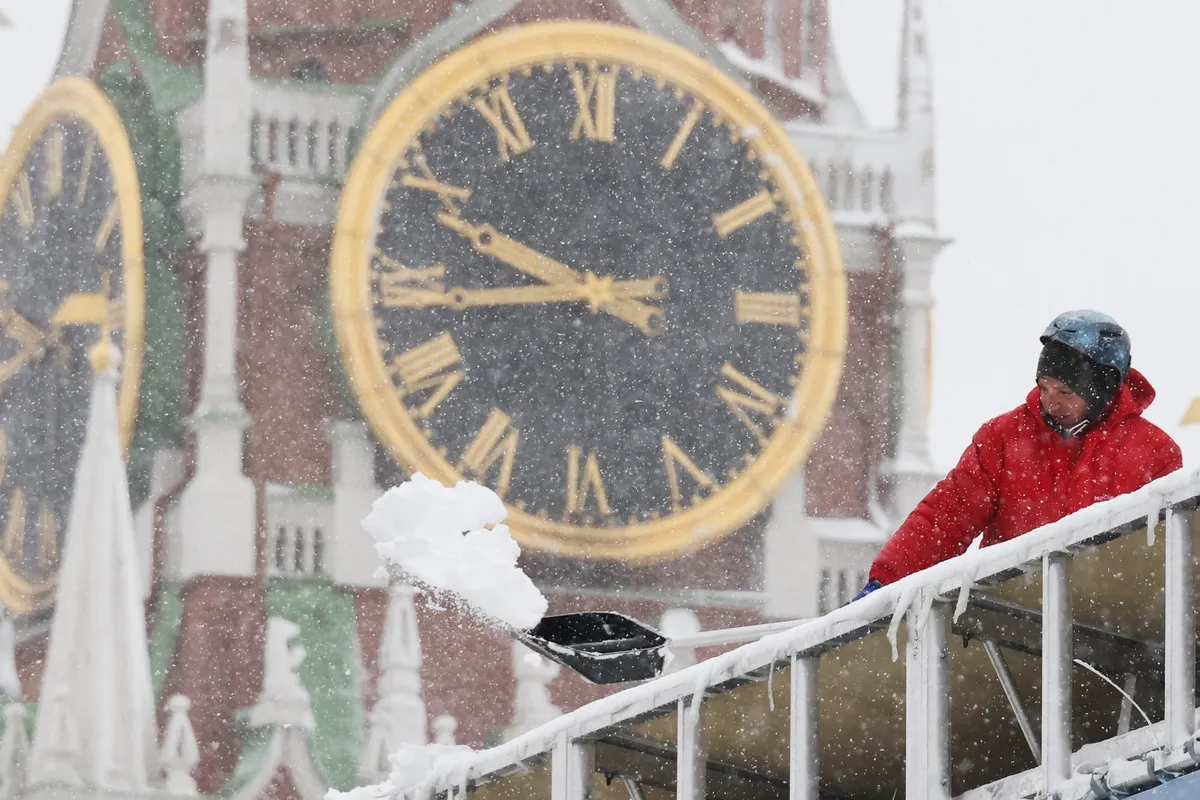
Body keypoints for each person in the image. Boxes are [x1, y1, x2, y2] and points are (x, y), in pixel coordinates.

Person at [851, 310, 1182, 603]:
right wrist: (886, 581)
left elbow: (1166, 556)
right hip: (1007, 624)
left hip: (1112, 631)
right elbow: (946, 516)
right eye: (1045, 386)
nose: (1051, 402)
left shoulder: (1155, 454)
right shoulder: (1003, 438)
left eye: (1066, 392)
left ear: (1102, 389)